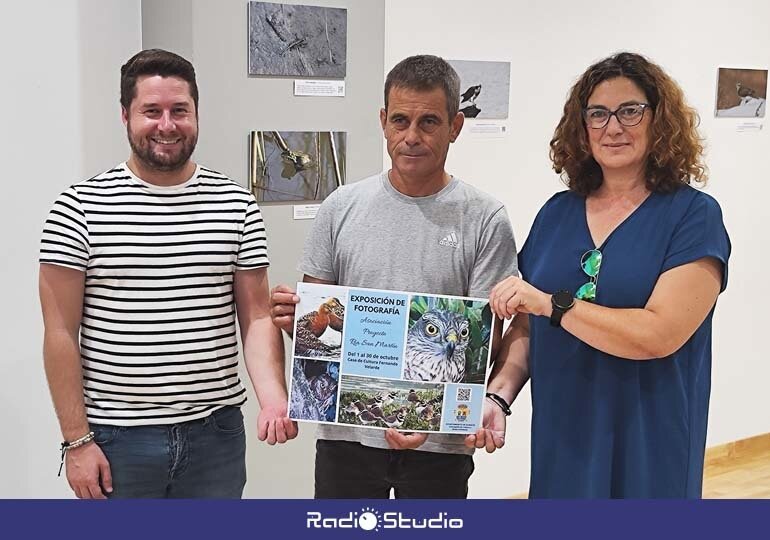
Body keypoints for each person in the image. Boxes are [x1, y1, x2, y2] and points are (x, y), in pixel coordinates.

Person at [470, 52, 731, 498]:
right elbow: (528, 326)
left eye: (630, 111)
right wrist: (499, 395)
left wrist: (554, 304)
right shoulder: (556, 214)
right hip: (564, 438)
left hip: (651, 444)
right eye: (598, 114)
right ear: (582, 125)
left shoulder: (693, 216)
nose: (613, 127)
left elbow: (658, 334)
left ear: (659, 120)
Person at [39, 49, 296, 499]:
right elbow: (60, 331)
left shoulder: (235, 204)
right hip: (118, 441)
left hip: (215, 436)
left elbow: (255, 317)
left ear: (197, 113)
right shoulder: (78, 207)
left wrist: (273, 397)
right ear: (125, 116)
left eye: (180, 110)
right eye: (151, 111)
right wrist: (77, 441)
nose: (167, 125)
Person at [270, 54, 518, 498]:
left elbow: (484, 341)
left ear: (455, 126)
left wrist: (423, 417)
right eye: (400, 120)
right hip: (346, 439)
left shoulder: (485, 218)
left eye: (429, 122)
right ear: (383, 121)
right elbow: (319, 331)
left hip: (440, 445)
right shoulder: (340, 208)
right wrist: (299, 324)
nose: (411, 137)